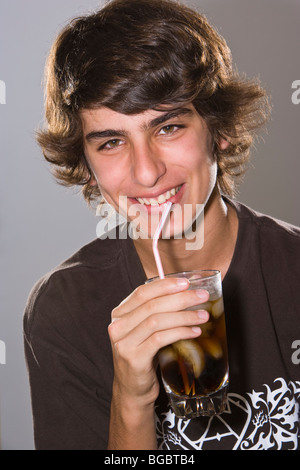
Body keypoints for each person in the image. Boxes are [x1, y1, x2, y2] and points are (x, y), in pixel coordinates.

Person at [23, 0, 300, 450]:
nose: (146, 172)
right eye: (112, 142)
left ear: (219, 129)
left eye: (167, 127)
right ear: (88, 165)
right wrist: (131, 400)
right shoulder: (65, 308)